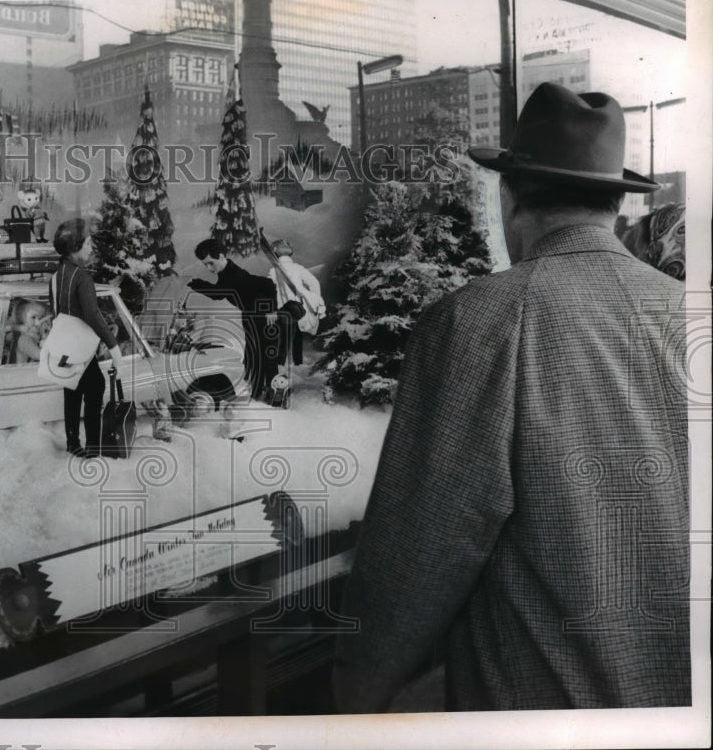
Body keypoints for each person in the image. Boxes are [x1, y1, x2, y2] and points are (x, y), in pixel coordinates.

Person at [332, 83, 690, 712]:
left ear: (509, 195)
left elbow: (421, 550)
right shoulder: (689, 316)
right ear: (615, 202)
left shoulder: (478, 321)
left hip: (541, 708)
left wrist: (358, 691)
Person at [52, 218, 123, 457]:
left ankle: (73, 443)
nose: (92, 248)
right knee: (95, 388)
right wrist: (113, 346)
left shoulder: (59, 273)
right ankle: (93, 447)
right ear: (75, 246)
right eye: (89, 243)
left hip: (63, 342)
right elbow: (92, 314)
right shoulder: (82, 276)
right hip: (80, 343)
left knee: (72, 391)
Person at [187, 239, 279, 401]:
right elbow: (220, 291)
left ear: (221, 256)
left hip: (262, 318)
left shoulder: (232, 274)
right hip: (250, 317)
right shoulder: (226, 272)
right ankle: (259, 393)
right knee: (253, 356)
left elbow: (267, 283)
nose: (209, 268)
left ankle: (274, 396)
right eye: (205, 265)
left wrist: (271, 308)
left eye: (211, 263)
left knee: (264, 357)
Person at [266, 238, 326, 366]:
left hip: (283, 310)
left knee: (284, 341)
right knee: (297, 336)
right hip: (299, 308)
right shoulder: (298, 268)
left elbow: (269, 291)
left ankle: (279, 369)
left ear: (275, 253)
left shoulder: (273, 271)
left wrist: (271, 309)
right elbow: (314, 283)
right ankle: (298, 363)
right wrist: (313, 300)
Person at [13, 300, 51, 364]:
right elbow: (40, 356)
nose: (38, 322)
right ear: (21, 319)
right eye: (33, 317)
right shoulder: (24, 339)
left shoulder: (36, 335)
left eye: (41, 318)